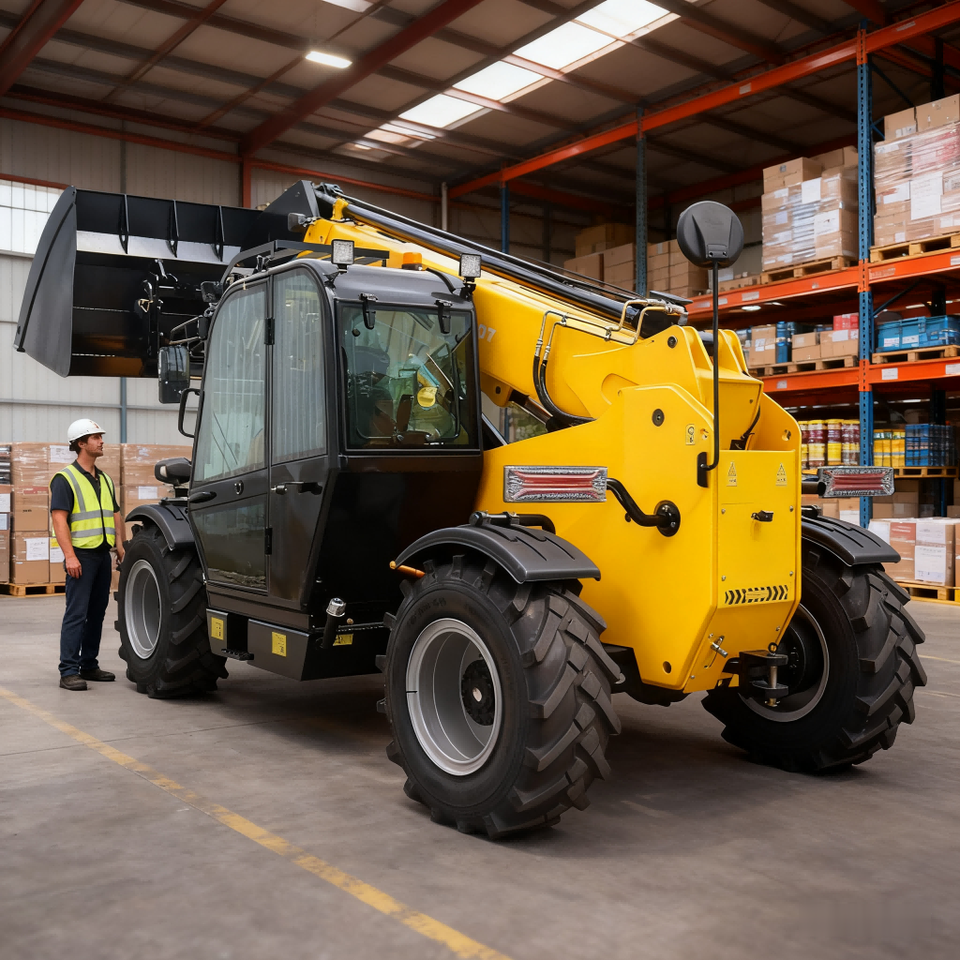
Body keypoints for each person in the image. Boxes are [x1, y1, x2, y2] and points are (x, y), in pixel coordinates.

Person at [50, 419, 126, 691]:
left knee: (97, 613)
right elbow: (59, 519)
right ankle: (69, 670)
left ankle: (89, 664)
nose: (101, 440)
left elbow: (115, 514)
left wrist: (120, 546)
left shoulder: (104, 479)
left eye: (100, 436)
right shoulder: (65, 479)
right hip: (81, 556)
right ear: (81, 443)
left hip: (103, 555)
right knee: (76, 613)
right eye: (95, 437)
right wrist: (69, 556)